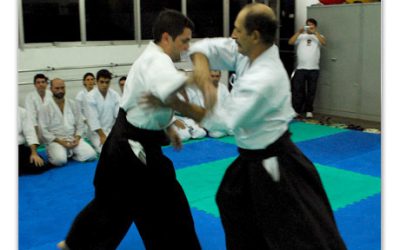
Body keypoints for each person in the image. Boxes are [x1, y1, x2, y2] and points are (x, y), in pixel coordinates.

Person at [145, 3, 346, 249]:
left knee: (299, 234)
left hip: (276, 163)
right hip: (250, 158)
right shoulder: (246, 50)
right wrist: (202, 74)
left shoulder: (265, 77)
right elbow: (204, 48)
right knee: (232, 203)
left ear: (255, 36)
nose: (233, 35)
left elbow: (225, 120)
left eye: (238, 30)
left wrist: (181, 99)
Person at [57, 9, 204, 250]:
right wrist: (197, 80)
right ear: (167, 38)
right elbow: (167, 89)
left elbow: (153, 97)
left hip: (129, 141)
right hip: (132, 147)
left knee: (116, 203)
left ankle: (76, 242)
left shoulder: (152, 57)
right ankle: (77, 243)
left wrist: (168, 126)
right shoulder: (157, 60)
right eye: (184, 41)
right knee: (164, 204)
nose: (187, 47)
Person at [38, 78, 97, 167]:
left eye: (62, 88)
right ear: (51, 89)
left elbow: (80, 124)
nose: (60, 91)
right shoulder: (45, 107)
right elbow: (44, 131)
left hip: (72, 139)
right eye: (57, 88)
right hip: (56, 141)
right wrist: (62, 142)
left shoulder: (72, 104)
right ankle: (64, 153)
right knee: (59, 161)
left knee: (91, 155)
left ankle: (71, 154)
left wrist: (77, 138)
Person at [288, 18, 326, 119]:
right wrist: (298, 32)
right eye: (308, 25)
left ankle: (309, 110)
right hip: (301, 68)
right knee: (298, 91)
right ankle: (297, 110)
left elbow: (324, 42)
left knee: (311, 91)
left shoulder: (319, 36)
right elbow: (290, 42)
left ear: (315, 26)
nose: (309, 27)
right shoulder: (301, 36)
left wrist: (315, 33)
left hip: (314, 69)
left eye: (312, 25)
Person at [84, 69, 120, 153]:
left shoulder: (114, 95)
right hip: (96, 133)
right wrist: (102, 136)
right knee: (105, 150)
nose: (104, 85)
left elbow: (118, 115)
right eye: (102, 82)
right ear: (96, 82)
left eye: (107, 82)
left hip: (111, 130)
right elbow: (93, 118)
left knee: (123, 147)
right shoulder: (90, 96)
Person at [18, 106, 49, 175]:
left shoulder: (21, 111)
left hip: (19, 148)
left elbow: (30, 133)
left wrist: (34, 153)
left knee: (39, 165)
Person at [24, 73, 53, 141]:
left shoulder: (51, 94)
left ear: (46, 84)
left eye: (43, 82)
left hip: (52, 127)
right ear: (35, 85)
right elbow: (31, 116)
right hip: (37, 128)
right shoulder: (30, 97)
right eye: (38, 82)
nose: (41, 84)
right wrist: (36, 134)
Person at [207, 70, 233, 138]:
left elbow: (229, 103)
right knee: (215, 134)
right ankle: (226, 129)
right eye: (212, 76)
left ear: (220, 76)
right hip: (211, 118)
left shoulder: (223, 87)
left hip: (223, 116)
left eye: (217, 76)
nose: (215, 78)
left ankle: (226, 129)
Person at [75, 72, 96, 138]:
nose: (90, 81)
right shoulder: (80, 95)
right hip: (85, 124)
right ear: (84, 82)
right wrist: (87, 121)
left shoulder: (98, 94)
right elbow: (78, 113)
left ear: (94, 81)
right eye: (88, 80)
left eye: (92, 79)